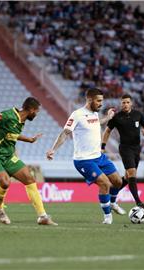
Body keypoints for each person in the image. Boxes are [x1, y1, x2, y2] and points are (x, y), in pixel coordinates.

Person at [0, 97, 57, 225]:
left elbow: (11, 134)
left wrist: (29, 139)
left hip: (8, 156)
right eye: (36, 111)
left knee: (29, 179)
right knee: (5, 182)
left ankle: (42, 216)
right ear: (30, 110)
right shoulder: (7, 115)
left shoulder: (21, 120)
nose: (36, 114)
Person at [46, 88, 124, 225]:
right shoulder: (77, 115)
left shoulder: (94, 114)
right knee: (105, 183)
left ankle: (112, 203)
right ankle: (107, 217)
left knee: (118, 181)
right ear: (89, 100)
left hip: (99, 157)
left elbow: (96, 122)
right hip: (84, 160)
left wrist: (108, 118)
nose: (101, 104)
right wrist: (53, 149)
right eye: (99, 101)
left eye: (102, 101)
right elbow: (65, 133)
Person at [102, 94, 144, 210]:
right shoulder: (117, 117)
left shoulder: (138, 114)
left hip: (136, 148)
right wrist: (103, 146)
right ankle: (138, 202)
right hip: (125, 148)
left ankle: (112, 193)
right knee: (132, 172)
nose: (125, 104)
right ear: (121, 104)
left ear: (131, 103)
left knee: (128, 177)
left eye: (127, 102)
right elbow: (107, 131)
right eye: (123, 102)